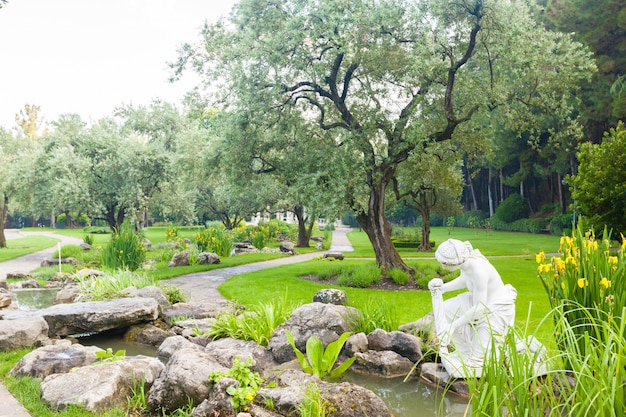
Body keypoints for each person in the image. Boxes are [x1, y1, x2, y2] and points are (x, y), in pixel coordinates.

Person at [428, 238, 517, 378]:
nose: (443, 266)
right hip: (480, 301)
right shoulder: (467, 264)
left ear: (457, 261)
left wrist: (453, 326)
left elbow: (479, 309)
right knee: (446, 309)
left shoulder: (479, 271)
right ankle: (464, 350)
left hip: (494, 310)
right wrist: (443, 288)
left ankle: (489, 355)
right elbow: (465, 280)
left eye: (445, 263)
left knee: (477, 361)